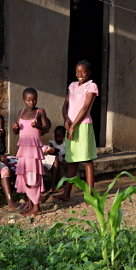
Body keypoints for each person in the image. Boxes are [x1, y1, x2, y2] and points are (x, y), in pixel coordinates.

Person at [54, 60, 98, 201]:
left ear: (89, 73)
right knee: (72, 161)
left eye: (83, 71)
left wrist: (73, 126)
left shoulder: (92, 86)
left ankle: (90, 195)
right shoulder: (72, 86)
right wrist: (66, 119)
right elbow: (66, 104)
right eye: (78, 72)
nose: (80, 74)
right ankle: (67, 193)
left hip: (83, 126)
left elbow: (85, 108)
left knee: (86, 160)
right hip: (70, 126)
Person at [12, 88, 50, 216]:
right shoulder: (20, 113)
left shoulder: (40, 112)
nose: (32, 102)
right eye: (29, 100)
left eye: (34, 99)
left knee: (33, 176)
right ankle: (30, 205)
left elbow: (47, 128)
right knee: (25, 175)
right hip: (23, 149)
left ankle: (36, 207)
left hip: (34, 150)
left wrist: (38, 127)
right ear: (24, 100)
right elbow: (17, 132)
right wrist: (15, 128)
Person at [43, 126, 67, 193]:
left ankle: (56, 184)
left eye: (59, 137)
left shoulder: (66, 144)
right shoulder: (52, 143)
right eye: (56, 136)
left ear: (63, 137)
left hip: (61, 160)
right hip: (56, 159)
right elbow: (51, 152)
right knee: (55, 161)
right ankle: (55, 185)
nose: (57, 138)